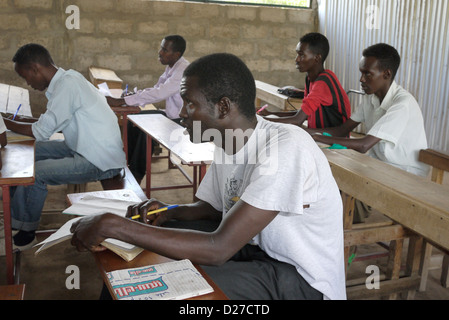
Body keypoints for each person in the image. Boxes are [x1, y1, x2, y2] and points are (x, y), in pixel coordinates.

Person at [70, 53, 346, 300]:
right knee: (138, 257)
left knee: (170, 288)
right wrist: (168, 211)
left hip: (301, 278)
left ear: (223, 107)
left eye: (189, 103)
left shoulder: (286, 148)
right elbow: (214, 209)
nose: (181, 112)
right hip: (254, 249)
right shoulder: (229, 143)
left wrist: (115, 225)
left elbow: (218, 248)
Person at [0, 43, 126, 254]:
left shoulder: (67, 86)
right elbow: (48, 123)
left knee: (35, 173)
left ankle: (25, 234)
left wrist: (4, 122)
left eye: (26, 77)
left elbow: (41, 130)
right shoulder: (68, 79)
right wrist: (17, 120)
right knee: (27, 149)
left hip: (99, 160)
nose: (28, 83)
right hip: (83, 146)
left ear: (35, 69)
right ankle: (14, 217)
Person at [309, 43, 429, 222]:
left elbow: (364, 144)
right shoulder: (371, 98)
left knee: (351, 183)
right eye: (361, 73)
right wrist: (306, 132)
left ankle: (349, 235)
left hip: (406, 174)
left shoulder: (402, 104)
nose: (361, 79)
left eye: (367, 74)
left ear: (386, 74)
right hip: (381, 164)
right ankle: (343, 228)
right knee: (333, 174)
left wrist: (317, 137)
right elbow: (343, 130)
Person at [107, 35, 189, 184]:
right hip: (172, 116)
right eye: (161, 48)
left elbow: (160, 93)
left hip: (185, 122)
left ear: (176, 55)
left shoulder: (183, 70)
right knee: (135, 120)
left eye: (164, 50)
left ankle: (136, 175)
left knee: (148, 131)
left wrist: (122, 100)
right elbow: (157, 88)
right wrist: (135, 96)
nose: (160, 52)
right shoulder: (172, 66)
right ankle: (125, 165)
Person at [262, 33, 351, 129]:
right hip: (319, 137)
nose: (297, 59)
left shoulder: (323, 82)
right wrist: (269, 113)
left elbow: (297, 121)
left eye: (301, 55)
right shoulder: (310, 78)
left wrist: (261, 121)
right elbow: (302, 113)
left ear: (317, 58)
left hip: (331, 141)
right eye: (297, 54)